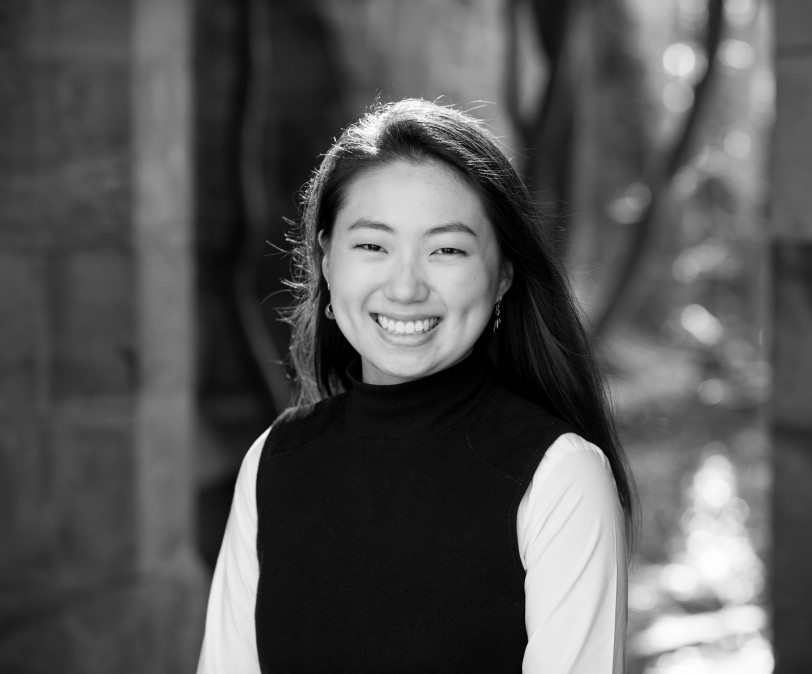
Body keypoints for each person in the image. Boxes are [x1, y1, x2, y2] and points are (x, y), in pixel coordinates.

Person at [197, 98, 637, 673]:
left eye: (446, 250)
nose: (405, 288)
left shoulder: (559, 477)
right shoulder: (274, 462)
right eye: (373, 245)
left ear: (503, 274)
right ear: (327, 261)